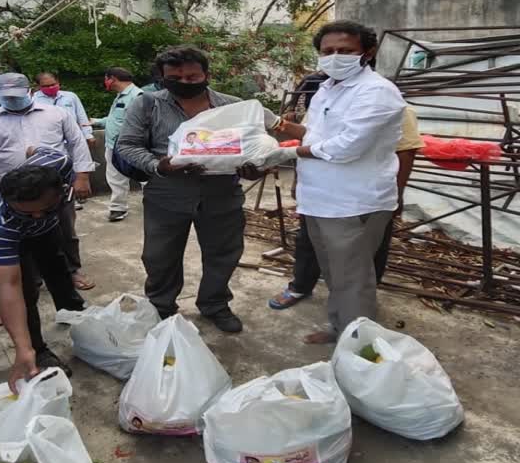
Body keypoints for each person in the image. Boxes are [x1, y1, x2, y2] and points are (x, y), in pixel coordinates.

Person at [256, 20, 407, 344]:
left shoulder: (377, 92)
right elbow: (317, 136)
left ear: (367, 53)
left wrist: (286, 154)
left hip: (353, 202)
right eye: (328, 51)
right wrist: (276, 124)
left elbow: (346, 147)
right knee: (335, 273)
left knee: (353, 278)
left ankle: (358, 347)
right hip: (320, 199)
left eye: (345, 50)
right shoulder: (327, 87)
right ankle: (343, 330)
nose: (335, 56)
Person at [117, 45, 252, 332]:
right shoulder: (146, 104)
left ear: (206, 74)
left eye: (192, 77)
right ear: (162, 77)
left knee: (224, 252)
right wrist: (158, 165)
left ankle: (215, 304)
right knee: (160, 255)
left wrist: (254, 165)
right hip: (167, 191)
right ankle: (161, 307)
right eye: (175, 77)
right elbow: (126, 145)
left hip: (222, 191)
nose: (184, 83)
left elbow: (249, 147)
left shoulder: (232, 106)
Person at [269, 107, 424, 311]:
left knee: (368, 250)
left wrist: (397, 191)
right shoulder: (322, 100)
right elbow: (307, 141)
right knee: (309, 241)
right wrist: (299, 181)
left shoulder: (391, 106)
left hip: (365, 197)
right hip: (320, 191)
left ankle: (361, 300)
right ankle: (300, 286)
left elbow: (405, 151)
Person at [0, 148, 85, 387]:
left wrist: (31, 150)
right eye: (28, 212)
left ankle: (75, 313)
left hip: (45, 232)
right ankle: (38, 350)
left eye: (46, 207)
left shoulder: (59, 163)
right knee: (26, 287)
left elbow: (40, 150)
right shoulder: (1, 222)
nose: (38, 215)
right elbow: (9, 286)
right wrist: (23, 348)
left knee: (58, 267)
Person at [0, 72, 97, 291]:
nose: (11, 100)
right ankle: (32, 277)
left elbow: (77, 143)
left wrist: (83, 175)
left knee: (65, 230)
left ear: (29, 91)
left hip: (56, 188)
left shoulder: (57, 114)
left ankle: (72, 271)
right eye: (6, 96)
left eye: (15, 95)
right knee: (20, 236)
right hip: (13, 193)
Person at [91, 67, 143, 222]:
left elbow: (143, 123)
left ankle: (155, 203)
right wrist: (96, 121)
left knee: (144, 175)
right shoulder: (121, 96)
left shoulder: (138, 96)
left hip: (132, 145)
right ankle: (118, 208)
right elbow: (115, 119)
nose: (105, 82)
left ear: (112, 78)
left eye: (106, 78)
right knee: (115, 176)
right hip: (113, 144)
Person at [33, 71, 96, 151]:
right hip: (47, 142)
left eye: (53, 84)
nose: (50, 88)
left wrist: (88, 135)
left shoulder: (70, 96)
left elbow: (81, 116)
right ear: (39, 86)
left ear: (58, 82)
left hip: (73, 139)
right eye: (46, 86)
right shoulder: (33, 99)